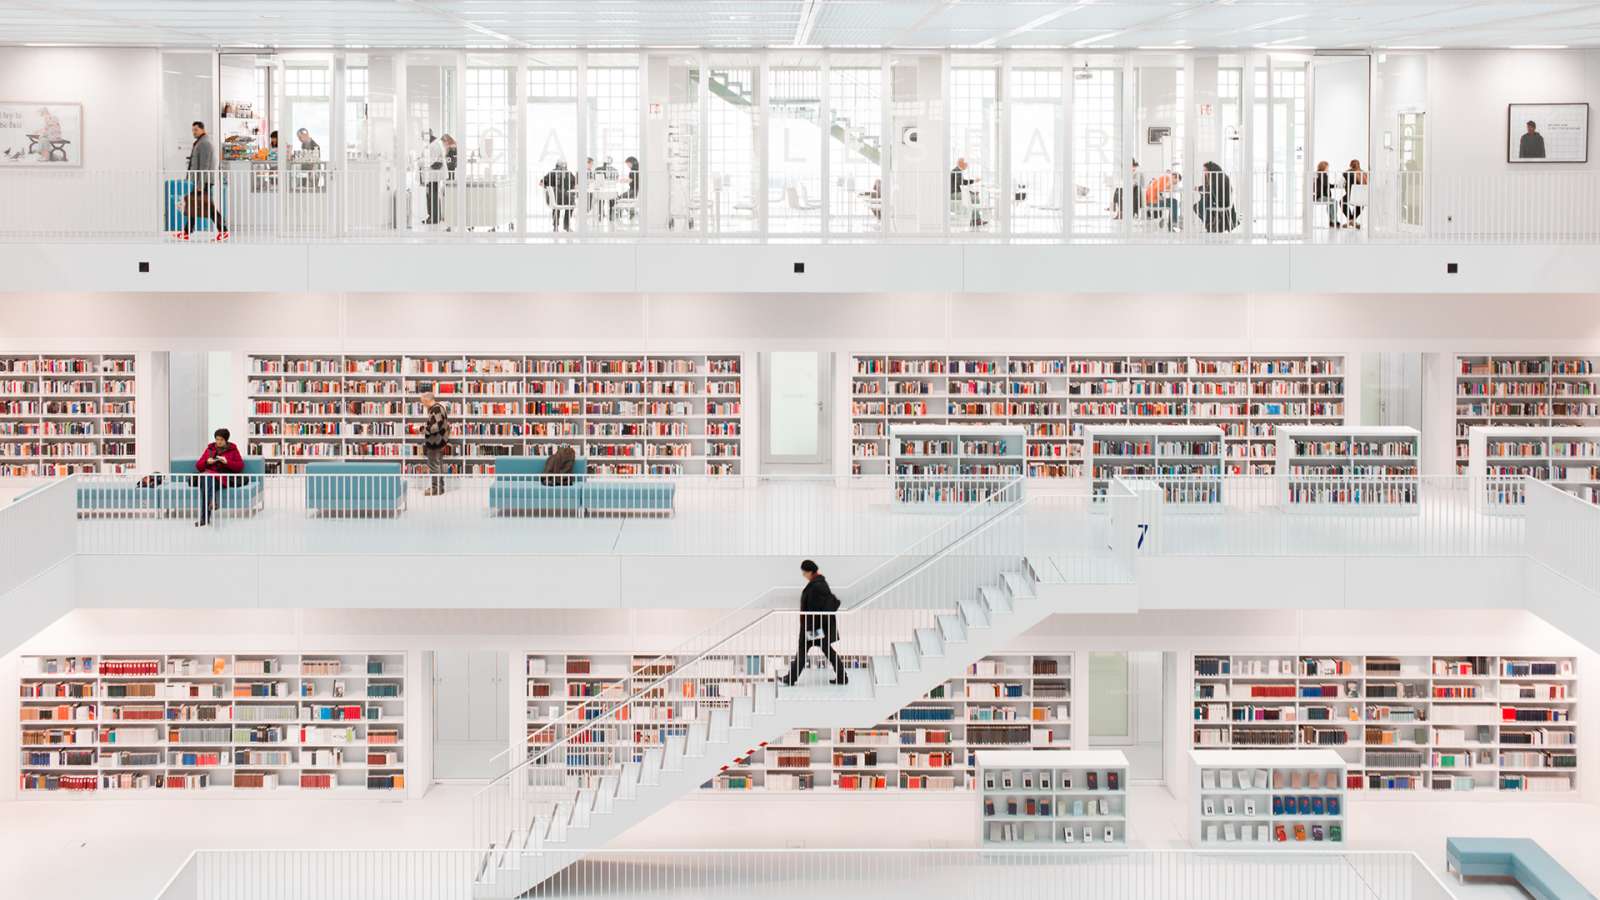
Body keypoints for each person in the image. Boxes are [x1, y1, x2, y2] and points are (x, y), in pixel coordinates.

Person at [779, 560, 847, 687]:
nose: (803, 575)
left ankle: (790, 679)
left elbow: (815, 609)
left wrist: (809, 630)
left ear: (810, 571)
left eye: (804, 572)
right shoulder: (818, 583)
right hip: (817, 628)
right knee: (825, 652)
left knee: (804, 652)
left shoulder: (817, 585)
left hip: (814, 629)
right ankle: (842, 677)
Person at [178, 120, 229, 242]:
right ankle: (187, 231)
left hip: (203, 181)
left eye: (195, 130)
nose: (193, 132)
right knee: (193, 204)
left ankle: (224, 230)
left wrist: (200, 185)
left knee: (208, 207)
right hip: (200, 181)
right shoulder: (201, 141)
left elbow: (205, 165)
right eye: (192, 130)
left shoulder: (205, 143)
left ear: (202, 129)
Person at [193, 428, 244, 527]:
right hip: (208, 477)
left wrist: (227, 462)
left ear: (226, 440)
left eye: (221, 440)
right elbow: (198, 466)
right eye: (217, 439)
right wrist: (207, 462)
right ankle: (211, 501)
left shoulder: (233, 450)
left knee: (207, 483)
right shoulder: (209, 450)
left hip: (221, 479)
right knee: (207, 481)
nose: (218, 442)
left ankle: (204, 518)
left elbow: (239, 466)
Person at [420, 391, 450, 496]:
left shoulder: (436, 409)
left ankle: (435, 489)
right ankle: (439, 488)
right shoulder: (438, 408)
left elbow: (435, 427)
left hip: (435, 442)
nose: (422, 404)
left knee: (434, 466)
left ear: (428, 400)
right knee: (438, 465)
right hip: (439, 441)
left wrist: (421, 429)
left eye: (423, 402)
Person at [1195, 162, 1236, 233]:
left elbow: (1210, 190)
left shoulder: (1216, 179)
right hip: (1224, 202)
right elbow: (1209, 189)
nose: (1204, 172)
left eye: (1205, 170)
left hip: (1220, 202)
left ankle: (1210, 224)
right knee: (1201, 204)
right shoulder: (1221, 177)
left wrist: (1200, 189)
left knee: (1198, 206)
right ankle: (1212, 224)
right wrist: (1200, 188)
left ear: (1211, 170)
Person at [541, 160, 577, 231]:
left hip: (560, 199)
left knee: (564, 204)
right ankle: (565, 226)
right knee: (571, 203)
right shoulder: (565, 173)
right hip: (562, 199)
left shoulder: (566, 174)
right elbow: (575, 185)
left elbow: (542, 183)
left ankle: (557, 226)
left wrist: (549, 190)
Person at [950, 158, 984, 228]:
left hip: (956, 192)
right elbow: (961, 183)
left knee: (974, 197)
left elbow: (961, 183)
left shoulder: (957, 170)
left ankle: (976, 219)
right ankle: (976, 219)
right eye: (966, 163)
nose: (967, 165)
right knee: (974, 198)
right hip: (954, 194)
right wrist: (973, 183)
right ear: (961, 163)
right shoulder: (957, 171)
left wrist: (971, 191)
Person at [421, 133, 446, 225]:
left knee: (433, 196)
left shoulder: (435, 145)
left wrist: (422, 161)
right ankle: (432, 216)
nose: (423, 140)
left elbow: (432, 160)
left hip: (434, 175)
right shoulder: (434, 144)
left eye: (423, 137)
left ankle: (434, 218)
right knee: (431, 195)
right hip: (433, 174)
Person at [1313, 161, 1341, 228]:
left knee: (1332, 202)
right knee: (1334, 202)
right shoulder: (1322, 174)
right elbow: (1326, 185)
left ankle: (1332, 221)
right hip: (1319, 197)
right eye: (1327, 167)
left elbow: (1326, 185)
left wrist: (1335, 185)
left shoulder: (1318, 174)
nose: (1328, 168)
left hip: (1318, 196)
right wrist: (1336, 185)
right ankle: (1333, 221)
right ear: (1324, 167)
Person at [1341, 159, 1367, 229]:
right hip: (1358, 195)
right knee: (1359, 203)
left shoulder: (1348, 173)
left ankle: (1350, 220)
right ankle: (1352, 221)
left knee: (1342, 202)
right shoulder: (1363, 173)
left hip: (1354, 194)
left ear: (1350, 165)